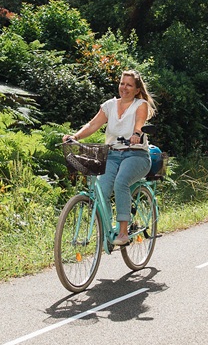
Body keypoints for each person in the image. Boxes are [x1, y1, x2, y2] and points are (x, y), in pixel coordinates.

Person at [63, 70, 162, 246]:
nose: (124, 87)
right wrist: (75, 137)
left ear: (137, 89)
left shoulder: (140, 104)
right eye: (122, 83)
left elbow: (139, 124)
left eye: (129, 84)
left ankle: (123, 232)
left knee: (121, 182)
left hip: (136, 154)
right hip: (112, 154)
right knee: (101, 188)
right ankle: (108, 229)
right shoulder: (109, 105)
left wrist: (136, 133)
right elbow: (93, 124)